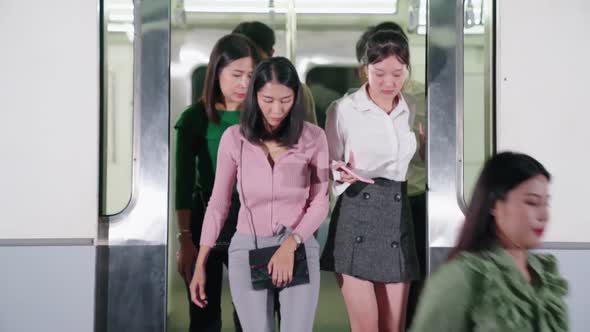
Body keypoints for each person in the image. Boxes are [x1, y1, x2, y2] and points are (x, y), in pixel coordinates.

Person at [189, 57, 330, 332]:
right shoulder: (234, 139)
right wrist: (201, 261)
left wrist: (290, 244)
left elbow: (320, 201)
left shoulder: (314, 138)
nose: (276, 109)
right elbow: (218, 204)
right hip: (247, 247)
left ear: (297, 98)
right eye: (267, 100)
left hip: (298, 245)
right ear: (254, 96)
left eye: (285, 100)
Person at [320, 30, 422, 332]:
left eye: (397, 73)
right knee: (366, 327)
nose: (389, 82)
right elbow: (328, 164)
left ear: (407, 69)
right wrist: (340, 172)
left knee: (395, 327)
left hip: (397, 216)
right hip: (357, 215)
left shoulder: (412, 107)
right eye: (379, 73)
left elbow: (416, 160)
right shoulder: (343, 110)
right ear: (365, 68)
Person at [410, 152, 568, 332]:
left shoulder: (546, 278)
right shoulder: (462, 278)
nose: (544, 216)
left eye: (545, 203)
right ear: (495, 205)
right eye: (532, 202)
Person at [174, 33, 260, 332]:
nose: (244, 84)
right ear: (216, 74)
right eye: (236, 75)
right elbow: (183, 184)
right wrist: (185, 239)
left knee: (250, 315)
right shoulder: (194, 118)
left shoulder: (261, 118)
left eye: (250, 75)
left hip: (251, 221)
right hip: (205, 217)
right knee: (204, 315)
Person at [353, 22, 427, 327]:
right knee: (370, 295)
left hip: (414, 201)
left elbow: (433, 155)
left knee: (413, 292)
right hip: (372, 204)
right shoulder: (351, 105)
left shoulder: (422, 97)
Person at [232, 21, 319, 125]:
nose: (248, 64)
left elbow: (310, 136)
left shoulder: (297, 91)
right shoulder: (229, 91)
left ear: (271, 53)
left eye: (255, 57)